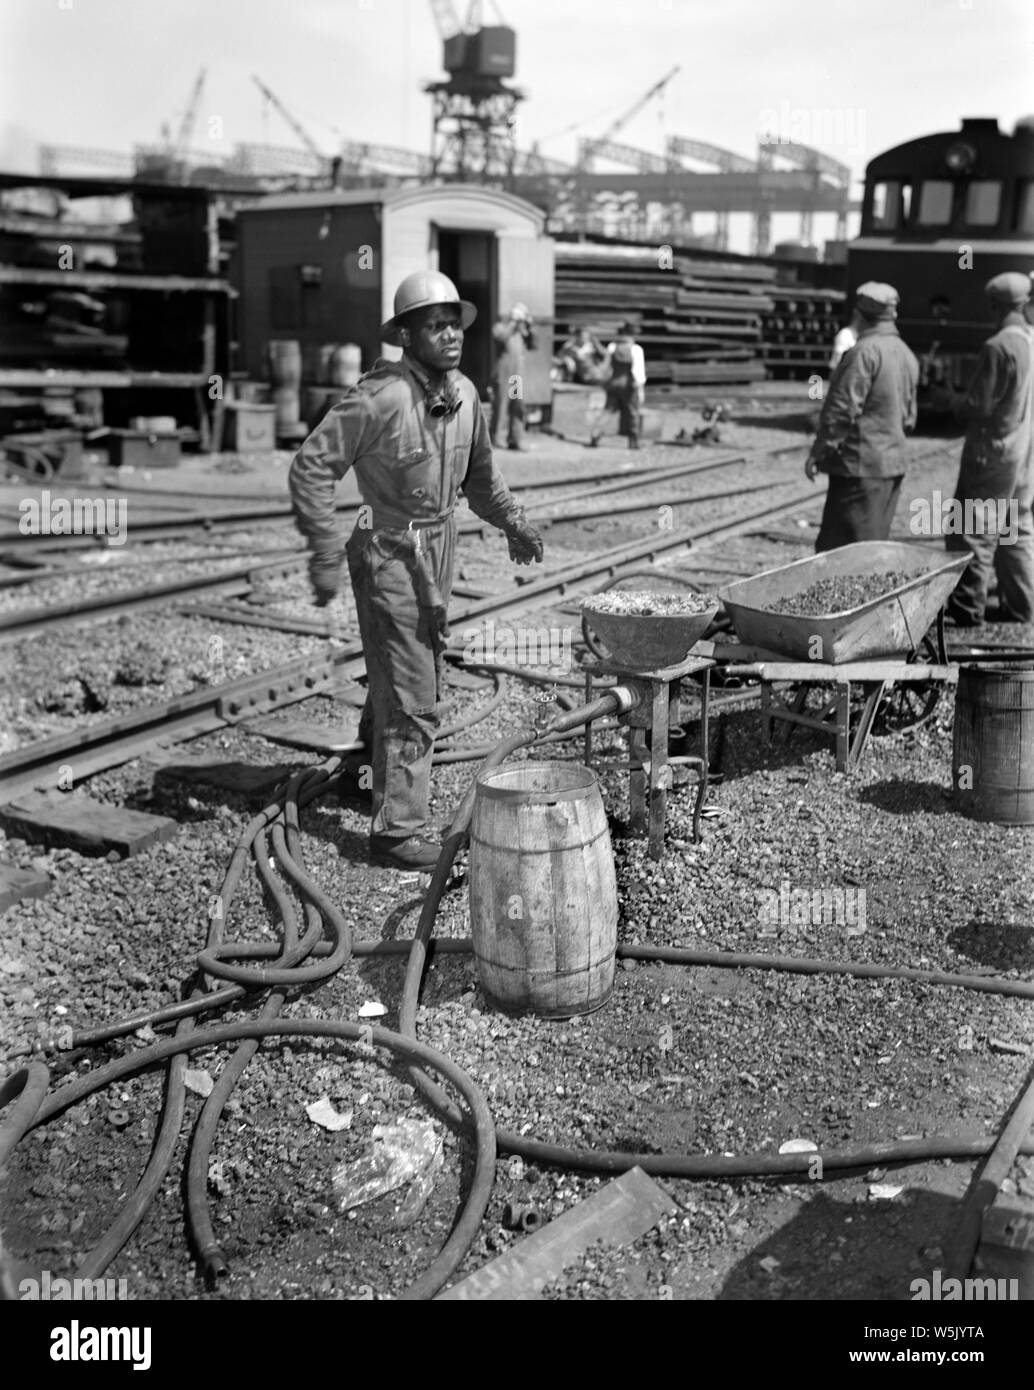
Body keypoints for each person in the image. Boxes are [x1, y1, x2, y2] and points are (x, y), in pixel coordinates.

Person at [288, 271, 545, 870]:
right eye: (435, 324)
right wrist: (324, 550)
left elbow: (481, 480)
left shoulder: (467, 397)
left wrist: (516, 522)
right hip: (386, 548)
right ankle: (397, 829)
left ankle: (366, 768)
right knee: (416, 691)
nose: (451, 333)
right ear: (406, 334)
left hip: (439, 545)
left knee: (418, 660)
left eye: (455, 322)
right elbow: (310, 468)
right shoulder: (380, 398)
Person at [944, 271, 1034, 626]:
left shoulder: (998, 347)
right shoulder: (1030, 340)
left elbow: (979, 406)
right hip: (1024, 455)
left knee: (972, 528)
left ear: (994, 305)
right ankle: (1023, 608)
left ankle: (967, 611)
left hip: (993, 453)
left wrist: (951, 400)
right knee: (1017, 528)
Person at [805, 282, 919, 551]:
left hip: (860, 469)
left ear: (859, 314)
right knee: (874, 546)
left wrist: (818, 452)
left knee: (842, 553)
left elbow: (840, 411)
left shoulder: (863, 353)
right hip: (892, 466)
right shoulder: (906, 353)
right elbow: (910, 418)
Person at [591, 322, 646, 450]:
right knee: (633, 412)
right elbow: (638, 372)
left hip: (613, 383)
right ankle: (634, 441)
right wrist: (640, 388)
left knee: (608, 410)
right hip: (629, 385)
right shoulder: (636, 349)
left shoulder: (613, 347)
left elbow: (607, 365)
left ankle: (596, 433)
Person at [490, 302, 537, 451]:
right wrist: (513, 323)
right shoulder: (500, 328)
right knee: (501, 406)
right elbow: (501, 338)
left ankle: (515, 439)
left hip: (516, 377)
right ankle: (496, 438)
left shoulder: (522, 333)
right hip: (504, 374)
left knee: (517, 405)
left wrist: (529, 326)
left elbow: (534, 344)